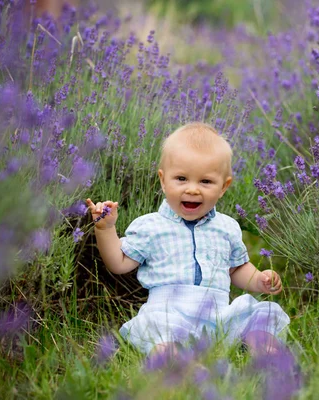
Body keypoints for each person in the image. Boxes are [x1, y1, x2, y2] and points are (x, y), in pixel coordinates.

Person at [86, 122, 290, 356]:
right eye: (181, 178)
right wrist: (105, 229)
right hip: (168, 315)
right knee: (164, 342)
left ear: (224, 187)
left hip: (219, 316)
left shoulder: (227, 227)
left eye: (205, 181)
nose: (192, 189)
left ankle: (268, 356)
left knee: (255, 322)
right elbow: (118, 263)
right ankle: (179, 367)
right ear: (163, 181)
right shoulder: (151, 226)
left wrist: (259, 280)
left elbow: (236, 269)